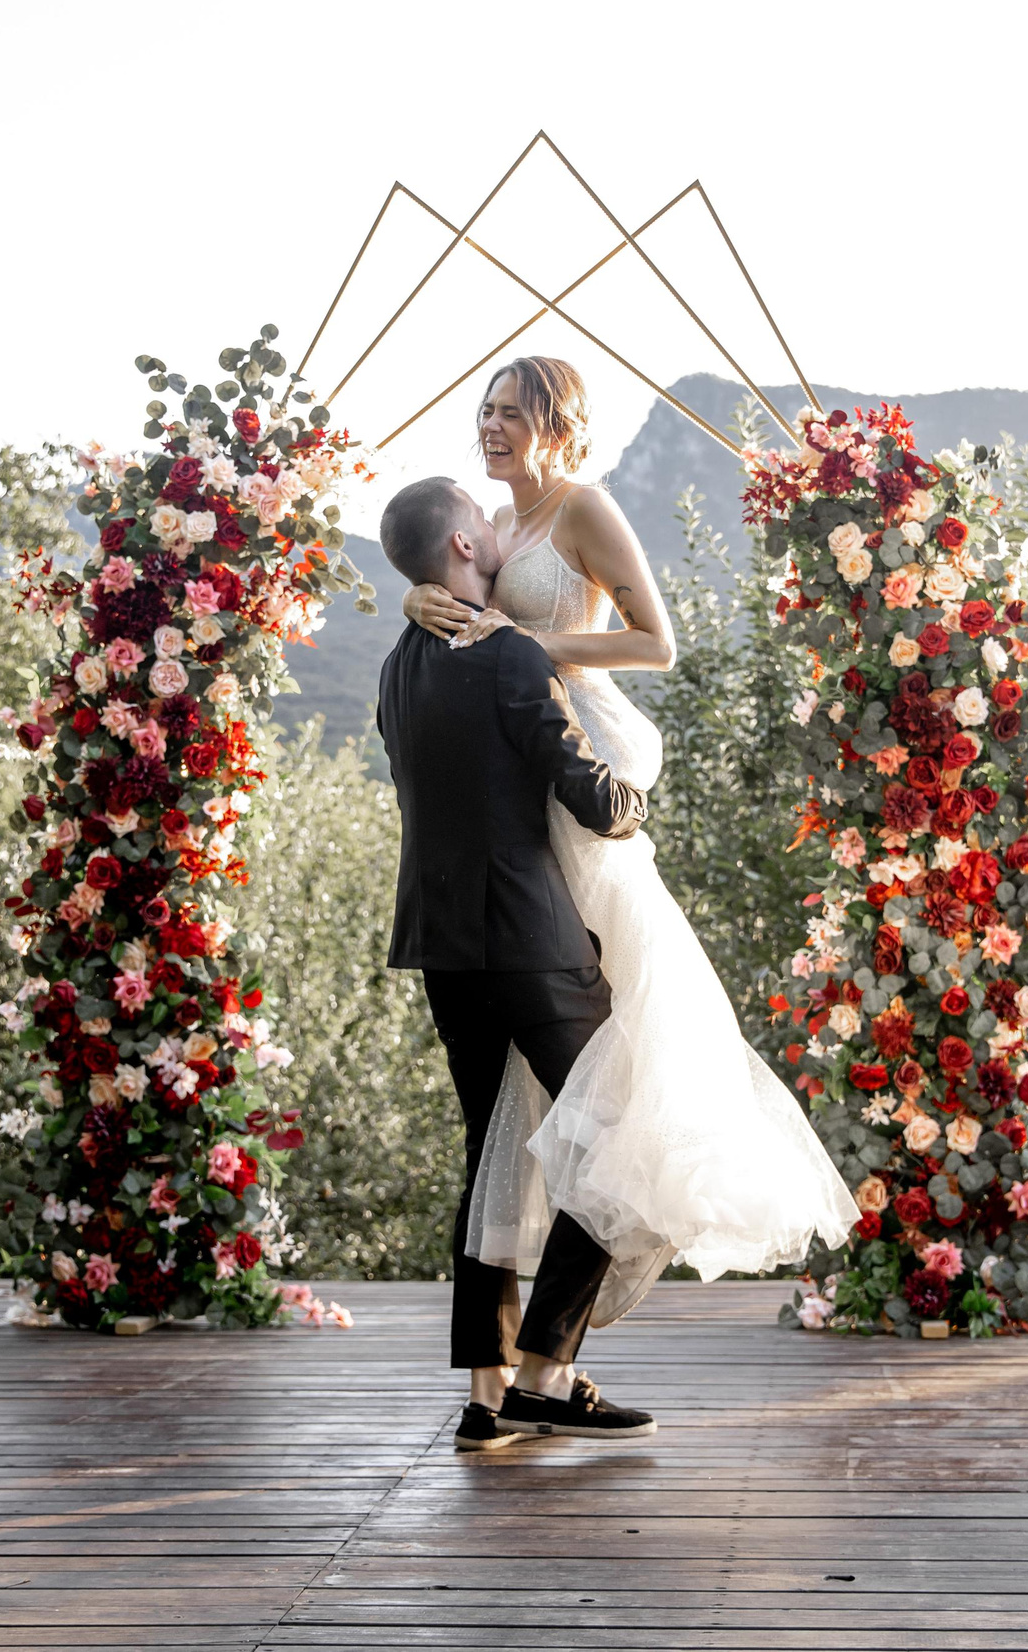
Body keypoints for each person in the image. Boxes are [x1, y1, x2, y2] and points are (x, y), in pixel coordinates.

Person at [400, 358, 859, 1341]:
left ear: (556, 424)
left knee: (615, 1054)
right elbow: (456, 590)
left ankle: (544, 1351)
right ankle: (521, 1367)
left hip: (579, 753)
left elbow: (658, 644)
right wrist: (420, 604)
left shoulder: (582, 510)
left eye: (511, 413)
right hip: (520, 773)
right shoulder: (492, 518)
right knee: (512, 1110)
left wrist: (523, 643)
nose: (491, 427)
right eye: (483, 410)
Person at [374, 473, 659, 1449]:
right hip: (531, 945)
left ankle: (486, 1401)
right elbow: (588, 798)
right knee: (614, 1131)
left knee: (492, 1156)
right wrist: (633, 799)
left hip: (442, 949)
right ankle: (547, 1369)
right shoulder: (509, 660)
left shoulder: (396, 666)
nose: (495, 528)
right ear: (460, 549)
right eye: (478, 519)